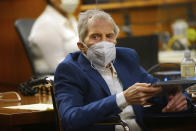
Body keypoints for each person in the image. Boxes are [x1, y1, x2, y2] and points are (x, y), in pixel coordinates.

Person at [54, 9, 194, 131]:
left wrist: (180, 99)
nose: (104, 42)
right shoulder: (70, 69)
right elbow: (70, 119)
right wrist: (123, 99)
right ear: (81, 46)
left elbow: (158, 88)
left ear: (115, 40)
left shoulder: (126, 59)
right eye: (95, 36)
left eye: (109, 36)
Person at [29, 0, 79, 73]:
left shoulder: (70, 18)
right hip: (59, 79)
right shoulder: (46, 24)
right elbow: (59, 67)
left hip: (77, 73)